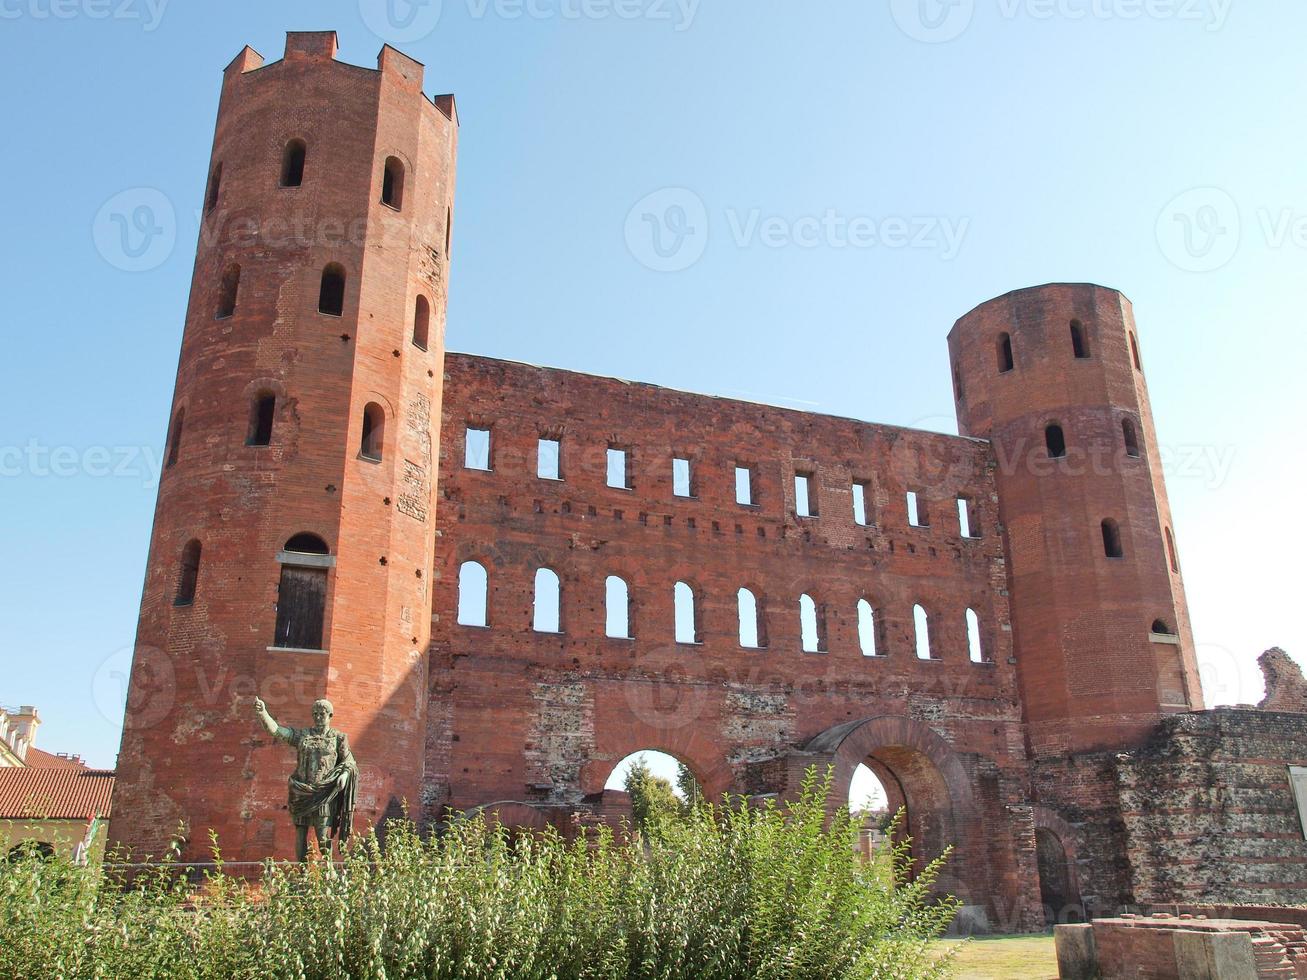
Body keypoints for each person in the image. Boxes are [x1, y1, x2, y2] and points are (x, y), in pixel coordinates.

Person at [253, 696, 358, 861]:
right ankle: (301, 872)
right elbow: (277, 731)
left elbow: (349, 762)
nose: (317, 717)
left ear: (330, 715)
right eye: (315, 713)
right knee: (300, 834)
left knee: (322, 836)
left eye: (322, 714)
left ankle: (329, 869)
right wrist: (263, 713)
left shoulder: (338, 738)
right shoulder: (302, 735)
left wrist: (344, 775)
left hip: (324, 792)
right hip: (301, 791)